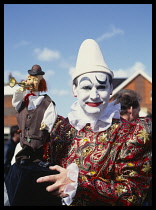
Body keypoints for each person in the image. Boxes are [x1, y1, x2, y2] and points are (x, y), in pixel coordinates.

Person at [36, 39, 152, 206]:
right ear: (74, 89)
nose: (94, 95)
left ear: (111, 88)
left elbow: (134, 194)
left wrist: (79, 185)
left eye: (101, 87)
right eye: (86, 87)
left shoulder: (130, 134)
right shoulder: (60, 128)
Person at [5, 65, 61, 206]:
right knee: (20, 160)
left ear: (41, 82)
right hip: (24, 141)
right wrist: (19, 90)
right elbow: (15, 102)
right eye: (30, 78)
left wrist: (46, 126)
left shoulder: (47, 102)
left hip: (39, 141)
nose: (32, 82)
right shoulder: (24, 101)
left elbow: (50, 115)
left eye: (35, 79)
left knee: (37, 153)